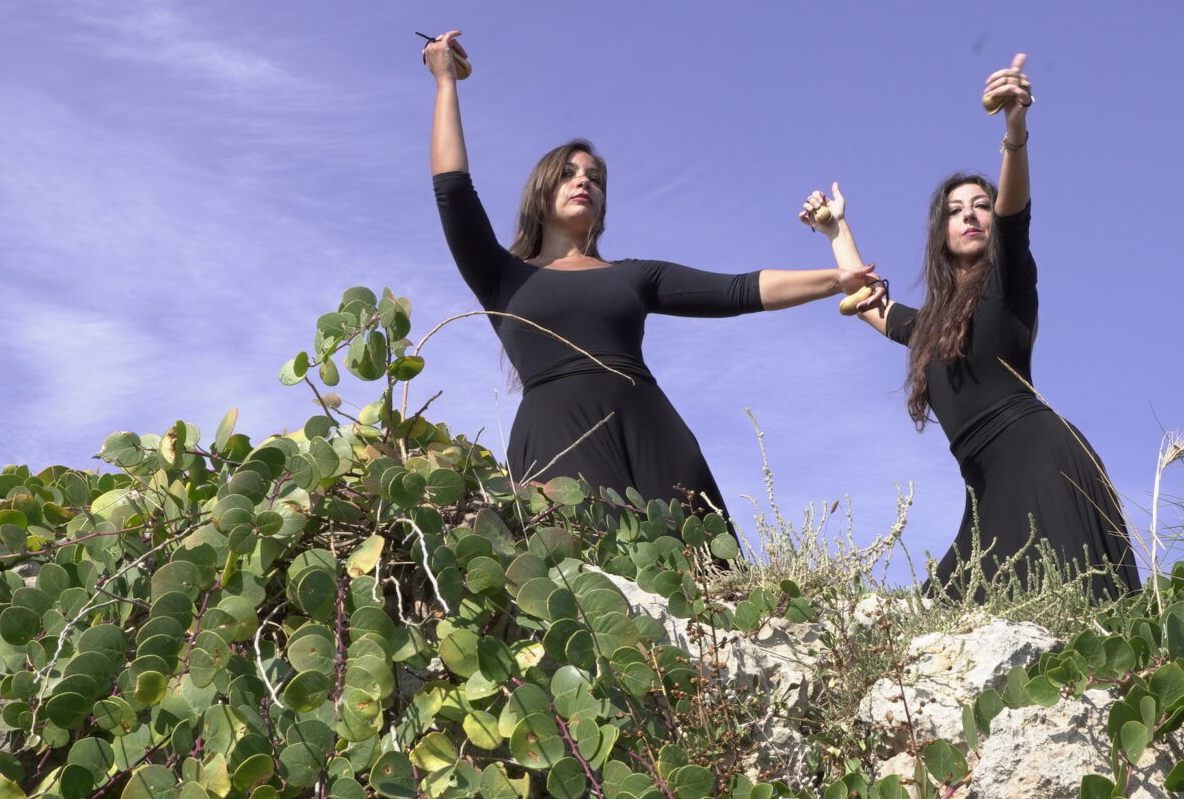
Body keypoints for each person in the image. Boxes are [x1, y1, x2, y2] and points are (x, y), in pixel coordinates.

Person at [424, 31, 877, 518]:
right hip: (555, 436)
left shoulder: (633, 276)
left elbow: (737, 290)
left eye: (595, 178)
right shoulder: (500, 275)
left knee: (696, 573)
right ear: (540, 193)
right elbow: (453, 190)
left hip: (654, 434)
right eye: (570, 174)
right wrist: (446, 81)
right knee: (581, 562)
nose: (585, 182)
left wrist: (837, 279)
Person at [802, 54, 1138, 599]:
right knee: (943, 616)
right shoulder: (930, 326)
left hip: (1041, 463)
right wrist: (836, 228)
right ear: (941, 232)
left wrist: (1015, 130)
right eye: (957, 209)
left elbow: (1014, 218)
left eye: (981, 205)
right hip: (986, 487)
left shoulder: (1007, 283)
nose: (972, 215)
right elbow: (865, 297)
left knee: (1076, 622)